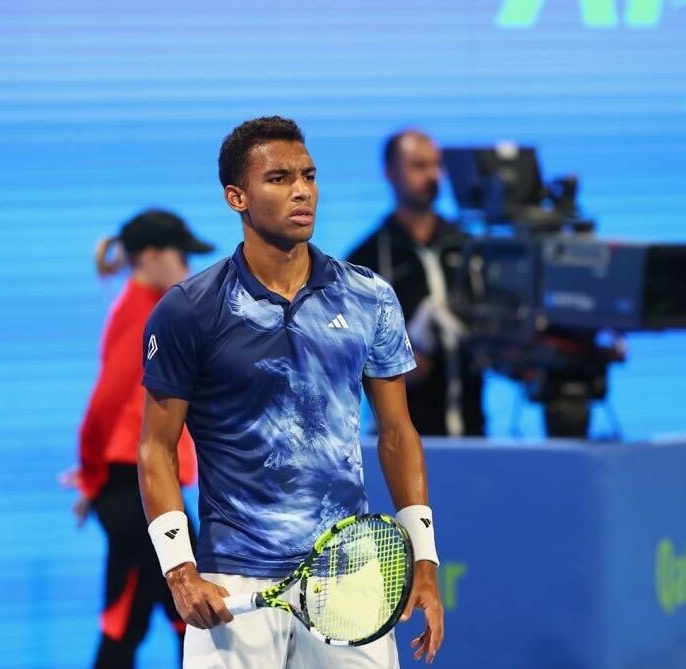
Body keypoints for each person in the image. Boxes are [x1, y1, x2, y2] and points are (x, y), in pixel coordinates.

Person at [136, 116, 445, 669]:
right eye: (278, 178)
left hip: (350, 576)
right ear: (237, 197)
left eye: (308, 175)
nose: (302, 190)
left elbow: (398, 433)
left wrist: (424, 557)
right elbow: (155, 448)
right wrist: (180, 571)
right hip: (232, 580)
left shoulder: (368, 296)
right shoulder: (189, 310)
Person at [66, 209, 214, 669]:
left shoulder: (150, 308)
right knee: (168, 613)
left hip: (134, 484)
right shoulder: (145, 313)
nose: (188, 268)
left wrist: (96, 473)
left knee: (158, 616)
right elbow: (103, 407)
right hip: (133, 488)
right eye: (181, 255)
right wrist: (94, 476)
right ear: (149, 256)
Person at [346, 130, 486, 437]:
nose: (432, 175)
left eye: (437, 165)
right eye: (419, 166)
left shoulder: (469, 248)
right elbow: (347, 358)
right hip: (403, 440)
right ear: (390, 172)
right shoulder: (365, 260)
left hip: (473, 437)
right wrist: (397, 366)